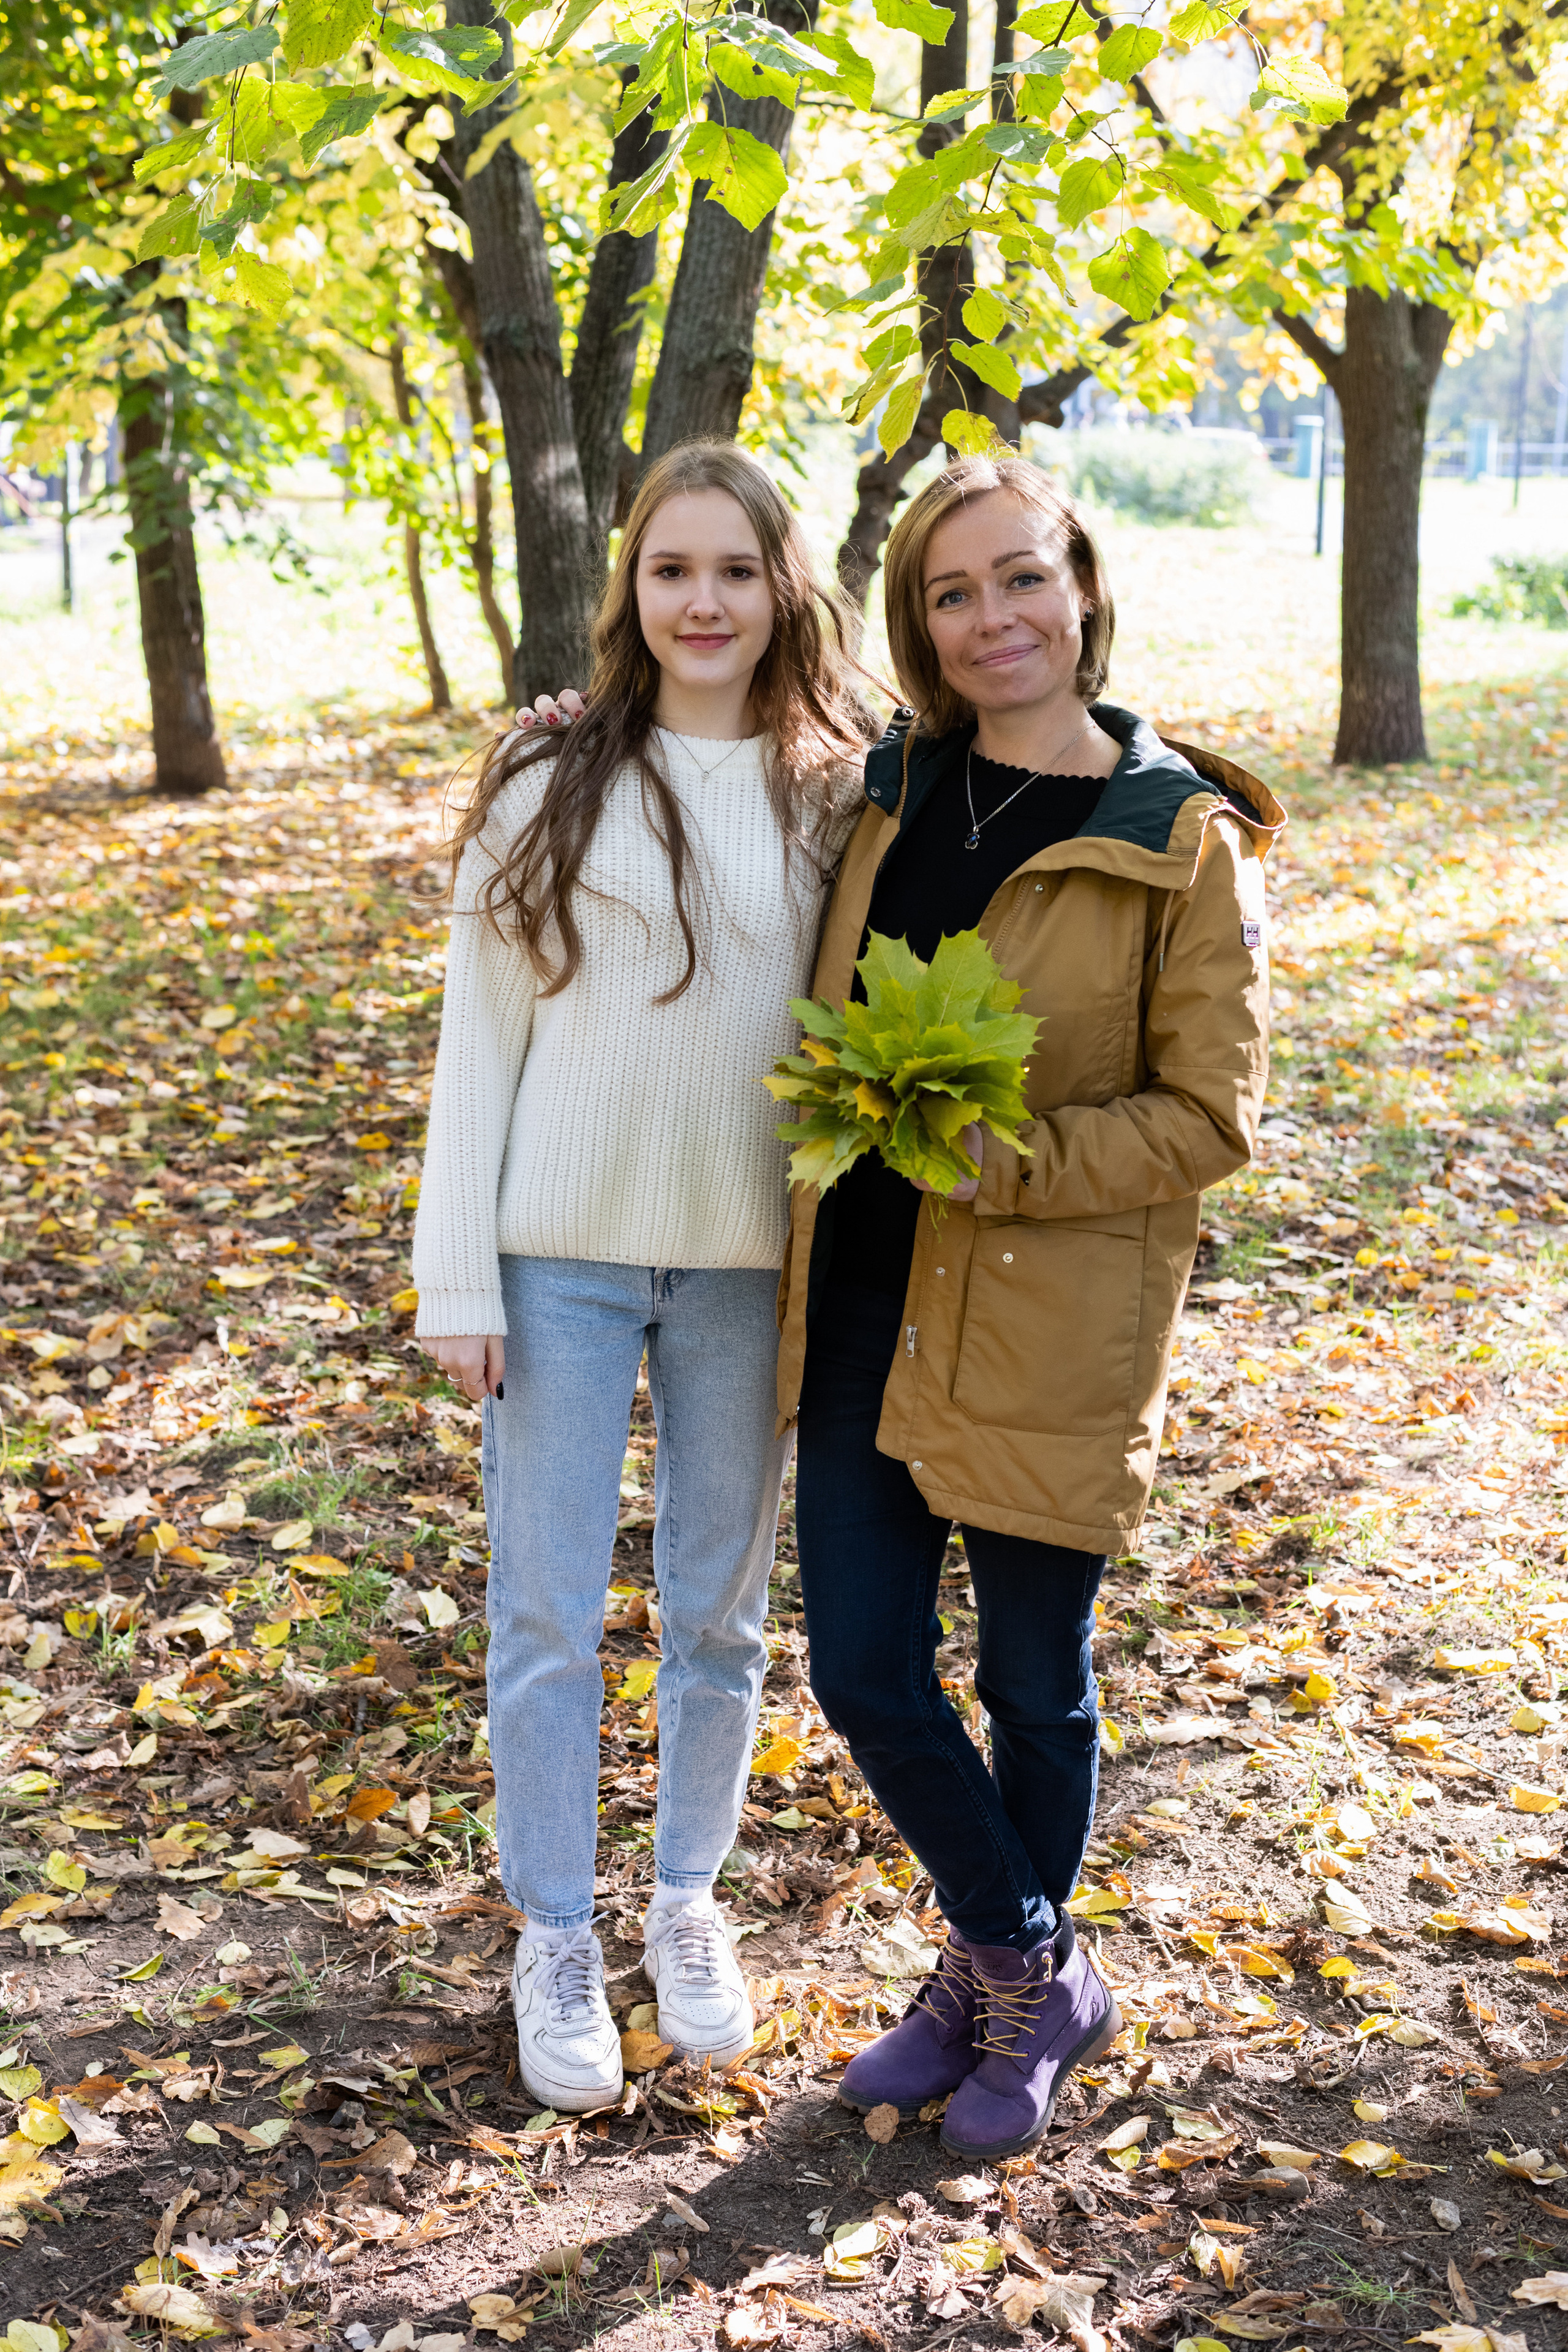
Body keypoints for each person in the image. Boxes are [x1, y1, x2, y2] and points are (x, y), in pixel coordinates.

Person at [775, 453, 1283, 2161]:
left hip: (1052, 1313)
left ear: (1083, 591)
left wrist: (1022, 1161)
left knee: (1029, 1682)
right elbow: (702, 757)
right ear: (919, 624)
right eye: (951, 592)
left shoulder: (1179, 840)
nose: (992, 617)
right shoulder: (881, 792)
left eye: (1020, 578)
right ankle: (1030, 1969)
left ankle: (990, 1984)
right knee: (863, 1668)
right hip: (865, 1301)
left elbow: (1211, 1116)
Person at [410, 439, 870, 2113]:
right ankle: (553, 1927)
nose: (703, 601)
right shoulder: (547, 777)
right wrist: (456, 1275)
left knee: (719, 1614)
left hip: (747, 1265)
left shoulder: (839, 793)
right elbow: (480, 1038)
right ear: (632, 587)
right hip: (556, 1260)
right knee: (543, 1609)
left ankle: (685, 1898)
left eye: (736, 570)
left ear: (784, 589)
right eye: (672, 569)